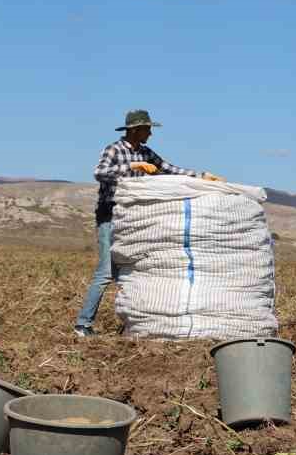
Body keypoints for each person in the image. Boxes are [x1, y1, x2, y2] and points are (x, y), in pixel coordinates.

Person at [74, 109, 222, 337]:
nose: (150, 134)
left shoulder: (146, 153)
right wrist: (132, 167)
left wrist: (201, 176)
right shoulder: (114, 149)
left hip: (136, 219)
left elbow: (169, 169)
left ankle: (134, 322)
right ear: (135, 130)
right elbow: (100, 172)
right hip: (111, 215)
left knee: (135, 270)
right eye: (147, 129)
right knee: (106, 272)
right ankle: (83, 325)